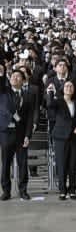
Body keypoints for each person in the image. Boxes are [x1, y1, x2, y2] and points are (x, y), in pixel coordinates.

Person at [0, 68, 35, 200]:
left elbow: (30, 118)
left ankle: (23, 190)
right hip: (6, 133)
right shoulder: (4, 92)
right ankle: (6, 191)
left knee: (23, 163)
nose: (15, 78)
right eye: (13, 76)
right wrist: (2, 73)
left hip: (21, 134)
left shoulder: (28, 95)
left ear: (23, 80)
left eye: (18, 76)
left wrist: (28, 135)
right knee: (5, 163)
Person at [46, 80, 76, 200]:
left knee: (74, 164)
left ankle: (72, 190)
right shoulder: (58, 102)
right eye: (67, 86)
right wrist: (50, 92)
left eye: (71, 86)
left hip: (74, 137)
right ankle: (62, 190)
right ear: (62, 88)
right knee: (61, 165)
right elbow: (50, 105)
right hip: (60, 137)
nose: (69, 87)